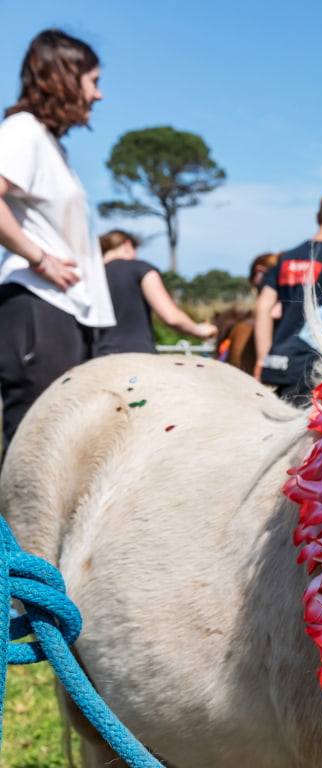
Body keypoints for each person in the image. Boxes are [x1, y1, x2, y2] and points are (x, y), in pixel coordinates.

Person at [0, 29, 115, 453]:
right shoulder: (22, 130)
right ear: (65, 78)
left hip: (65, 311)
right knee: (35, 457)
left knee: (64, 454)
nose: (99, 95)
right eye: (93, 81)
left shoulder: (50, 146)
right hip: (38, 308)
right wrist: (39, 258)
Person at [254, 190, 322, 406]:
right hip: (311, 367)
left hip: (276, 364)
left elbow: (263, 307)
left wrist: (262, 359)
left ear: (318, 217)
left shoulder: (287, 258)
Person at [93, 229, 216, 356]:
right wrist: (199, 330)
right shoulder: (140, 268)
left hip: (96, 359)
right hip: (136, 356)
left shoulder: (88, 276)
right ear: (128, 245)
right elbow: (172, 317)